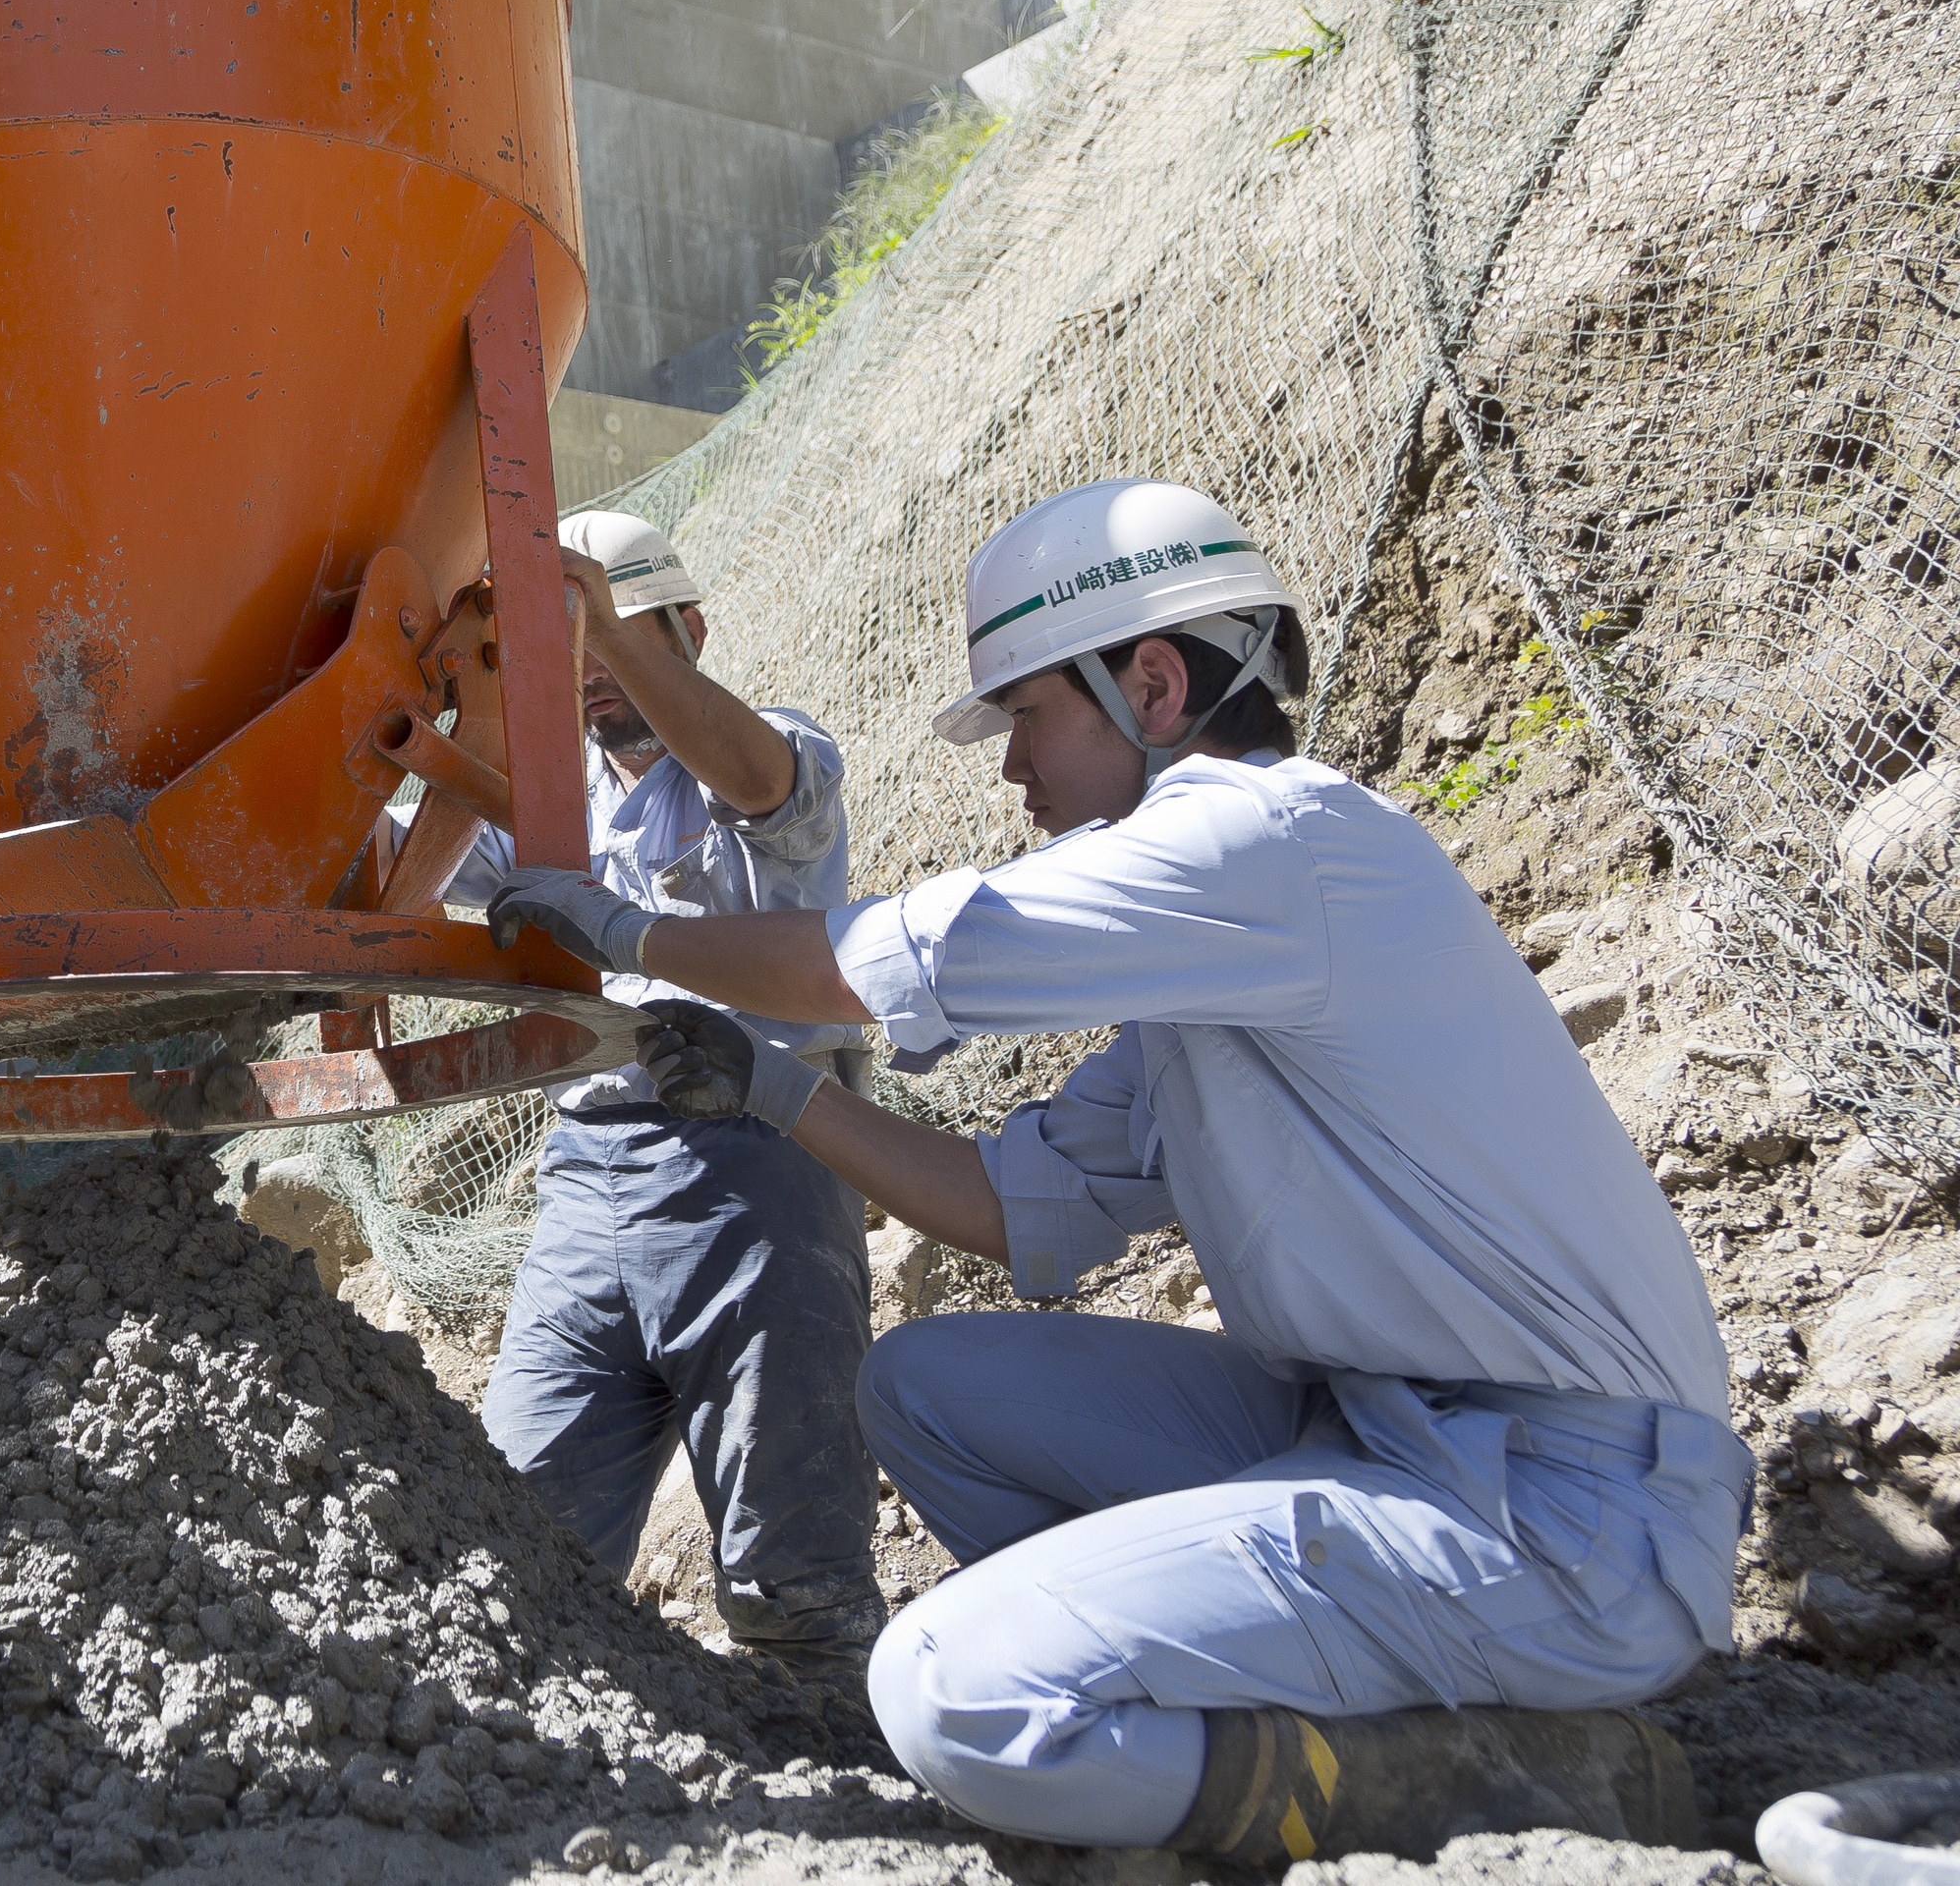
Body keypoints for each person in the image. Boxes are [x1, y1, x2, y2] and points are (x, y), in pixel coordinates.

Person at [487, 478, 1747, 1865]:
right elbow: (1013, 1208)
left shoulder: (1262, 840)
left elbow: (897, 956)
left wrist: (627, 933)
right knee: (926, 1384)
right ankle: (1284, 1694)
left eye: (1027, 716)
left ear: (1150, 681)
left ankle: (1463, 1777)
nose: (1013, 770)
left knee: (958, 1695)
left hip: (1567, 1516)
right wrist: (781, 1091)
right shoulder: (1221, 964)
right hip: (1393, 1437)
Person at [421, 511, 887, 1682]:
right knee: (523, 1540)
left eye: (612, 641)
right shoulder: (538, 792)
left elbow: (760, 784)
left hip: (763, 1163)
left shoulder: (773, 748)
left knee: (794, 1575)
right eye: (557, 651)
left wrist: (605, 628)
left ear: (689, 626)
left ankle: (847, 1779)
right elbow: (396, 864)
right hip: (589, 1176)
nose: (584, 672)